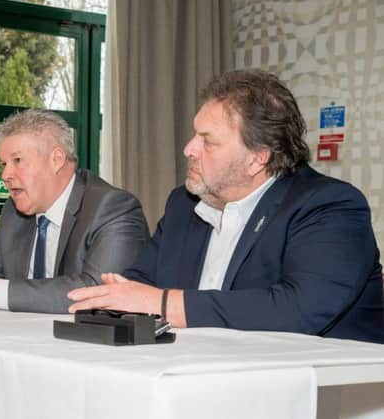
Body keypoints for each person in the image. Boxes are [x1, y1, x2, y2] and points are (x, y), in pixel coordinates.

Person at [68, 70, 384, 344]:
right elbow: (141, 283)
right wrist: (119, 297)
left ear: (258, 156)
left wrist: (164, 304)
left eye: (209, 141)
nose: (189, 149)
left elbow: (298, 310)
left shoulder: (328, 207)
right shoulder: (183, 203)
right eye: (195, 135)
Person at [0, 109, 149, 313]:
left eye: (17, 160)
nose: (5, 175)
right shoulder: (15, 212)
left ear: (56, 160)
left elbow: (98, 291)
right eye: (3, 164)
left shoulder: (112, 208)